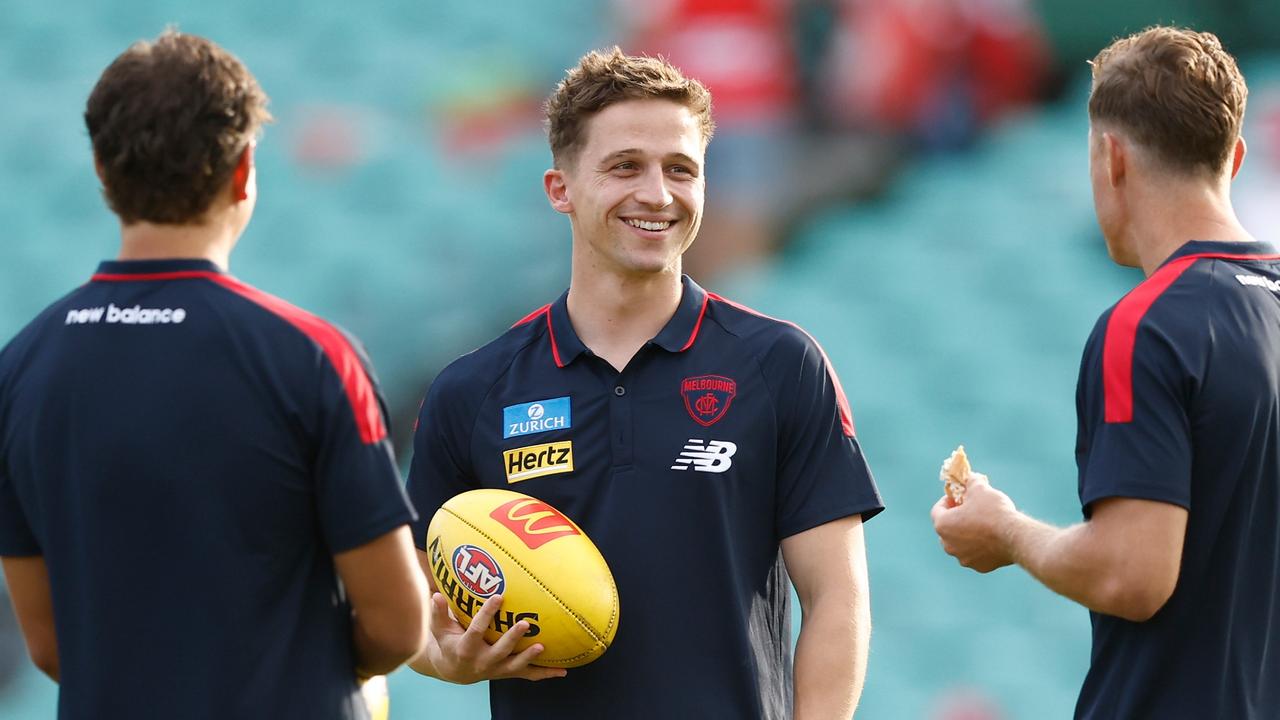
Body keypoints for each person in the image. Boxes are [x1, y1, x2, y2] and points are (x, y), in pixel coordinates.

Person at [406, 48, 883, 719]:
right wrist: (445, 657)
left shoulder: (781, 365)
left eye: (681, 169)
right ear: (560, 189)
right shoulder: (472, 391)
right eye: (625, 166)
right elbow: (412, 610)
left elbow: (838, 597)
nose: (658, 194)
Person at [0, 31, 428, 719]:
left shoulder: (19, 368)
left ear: (104, 173)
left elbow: (50, 645)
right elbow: (398, 626)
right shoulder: (314, 356)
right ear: (244, 170)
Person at [932, 26, 1279, 719]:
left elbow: (1133, 574)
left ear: (1111, 158)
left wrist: (1007, 532)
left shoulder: (1147, 325)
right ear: (1234, 159)